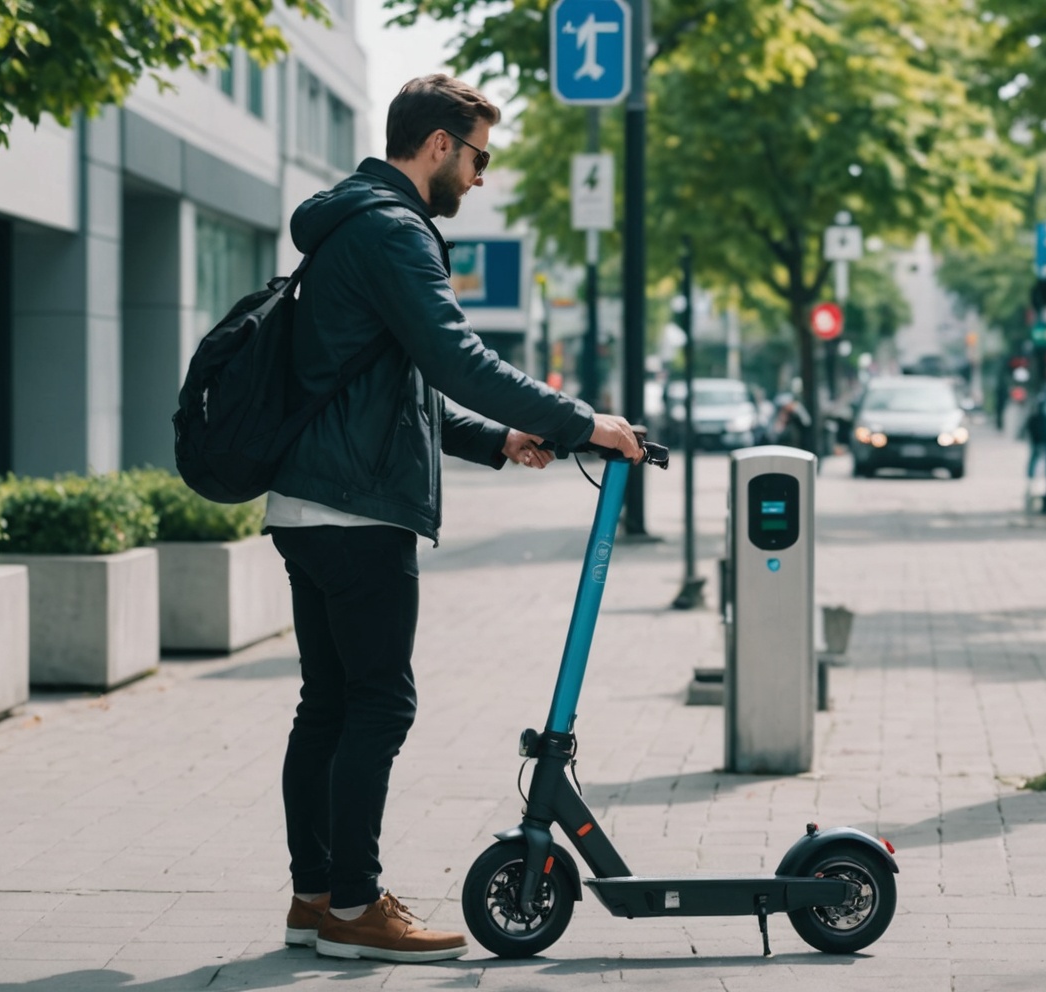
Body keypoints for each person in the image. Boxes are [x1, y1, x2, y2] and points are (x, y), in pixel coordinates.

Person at [265, 74, 643, 964]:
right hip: (357, 509)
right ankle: (356, 905)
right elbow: (454, 357)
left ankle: (314, 900)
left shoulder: (347, 226)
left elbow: (390, 384)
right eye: (479, 156)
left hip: (308, 499)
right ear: (438, 144)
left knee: (328, 704)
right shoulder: (397, 232)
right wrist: (582, 421)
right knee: (379, 705)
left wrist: (499, 440)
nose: (480, 176)